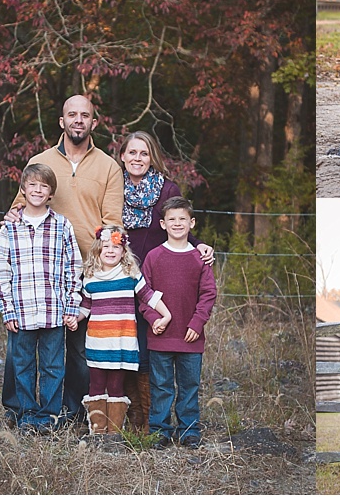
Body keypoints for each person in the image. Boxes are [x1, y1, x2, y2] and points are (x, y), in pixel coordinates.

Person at [3, 94, 123, 426]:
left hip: (87, 269)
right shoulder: (40, 161)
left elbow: (113, 221)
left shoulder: (108, 166)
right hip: (39, 269)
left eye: (85, 115)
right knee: (23, 343)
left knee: (78, 346)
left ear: (93, 123)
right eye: (72, 114)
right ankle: (17, 408)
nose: (78, 120)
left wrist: (106, 264)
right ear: (62, 121)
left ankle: (71, 410)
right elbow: (18, 207)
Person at [118, 131, 215, 432]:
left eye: (144, 153)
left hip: (154, 280)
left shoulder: (165, 188)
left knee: (150, 349)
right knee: (120, 342)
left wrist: (199, 245)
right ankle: (123, 414)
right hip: (119, 274)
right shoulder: (111, 187)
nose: (137, 159)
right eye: (132, 153)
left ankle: (148, 419)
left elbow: (178, 225)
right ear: (122, 156)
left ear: (152, 157)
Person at [0, 164, 82, 433]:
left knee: (54, 366)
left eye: (43, 186)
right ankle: (26, 415)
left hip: (53, 311)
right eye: (32, 185)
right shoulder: (10, 227)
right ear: (23, 190)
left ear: (51, 193)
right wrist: (7, 310)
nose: (37, 190)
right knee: (23, 366)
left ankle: (48, 416)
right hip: (21, 311)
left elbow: (73, 268)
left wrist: (71, 305)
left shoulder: (61, 225)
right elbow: (1, 271)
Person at [78, 225, 172, 436]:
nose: (110, 251)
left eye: (115, 247)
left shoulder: (130, 274)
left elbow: (148, 295)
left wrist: (166, 315)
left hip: (121, 341)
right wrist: (74, 319)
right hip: (97, 341)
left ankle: (114, 432)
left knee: (116, 386)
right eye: (105, 247)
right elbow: (85, 305)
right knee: (96, 385)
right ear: (97, 250)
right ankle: (97, 432)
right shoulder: (90, 276)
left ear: (124, 251)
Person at [140, 196, 217, 449]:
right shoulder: (153, 257)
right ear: (162, 224)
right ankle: (160, 430)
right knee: (161, 387)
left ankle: (189, 430)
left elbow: (208, 294)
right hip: (160, 337)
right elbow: (144, 294)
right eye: (171, 219)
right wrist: (153, 320)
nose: (177, 223)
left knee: (189, 386)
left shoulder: (199, 258)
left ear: (192, 222)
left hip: (190, 337)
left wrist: (197, 324)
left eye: (182, 218)